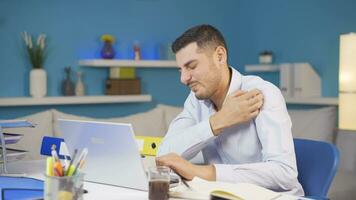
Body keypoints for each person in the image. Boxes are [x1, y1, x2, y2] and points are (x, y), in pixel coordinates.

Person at [156, 24, 304, 196]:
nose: (183, 79)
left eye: (192, 66)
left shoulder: (262, 93)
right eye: (181, 70)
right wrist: (218, 122)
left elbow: (285, 173)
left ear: (220, 56)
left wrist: (205, 173)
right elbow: (164, 154)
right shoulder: (196, 100)